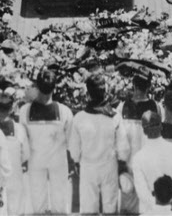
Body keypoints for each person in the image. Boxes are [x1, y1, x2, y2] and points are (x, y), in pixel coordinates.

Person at [69, 74, 129, 214]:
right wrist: (122, 163)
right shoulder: (114, 116)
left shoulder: (79, 118)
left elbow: (74, 150)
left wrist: (77, 161)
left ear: (88, 92)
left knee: (89, 207)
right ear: (105, 90)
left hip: (88, 167)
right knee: (110, 206)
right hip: (109, 166)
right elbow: (124, 148)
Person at [19, 69, 74, 215]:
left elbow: (23, 141)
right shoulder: (64, 112)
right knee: (60, 205)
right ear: (54, 88)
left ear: (37, 86)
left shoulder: (25, 111)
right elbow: (71, 141)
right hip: (58, 162)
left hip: (35, 161)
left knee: (37, 205)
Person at [130, 111, 172, 214]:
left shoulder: (138, 158)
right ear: (161, 126)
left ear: (144, 131)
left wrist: (157, 207)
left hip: (148, 211)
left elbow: (142, 191)